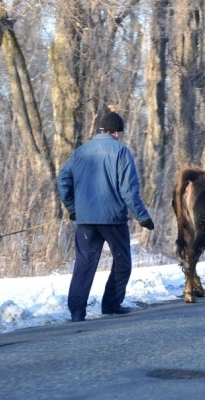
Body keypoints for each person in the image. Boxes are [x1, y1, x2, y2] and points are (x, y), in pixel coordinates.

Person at [57, 111, 155, 322]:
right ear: (117, 132)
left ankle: (77, 311)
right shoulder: (121, 152)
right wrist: (142, 216)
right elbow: (128, 189)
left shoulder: (80, 151)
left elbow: (63, 181)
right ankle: (111, 304)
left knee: (84, 264)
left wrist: (73, 208)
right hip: (112, 218)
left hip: (85, 220)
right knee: (122, 262)